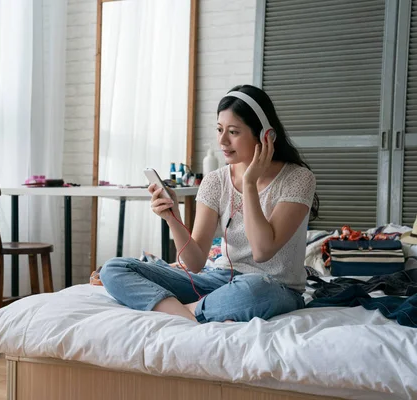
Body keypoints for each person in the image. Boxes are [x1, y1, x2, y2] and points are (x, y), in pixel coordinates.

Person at [100, 84, 319, 323]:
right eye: (219, 129)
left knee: (255, 291)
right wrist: (173, 218)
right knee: (114, 269)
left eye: (233, 132)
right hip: (218, 280)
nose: (222, 140)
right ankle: (192, 312)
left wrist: (248, 184)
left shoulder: (298, 179)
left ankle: (184, 309)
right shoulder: (215, 181)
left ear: (265, 135)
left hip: (274, 288)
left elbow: (262, 251)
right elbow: (194, 263)